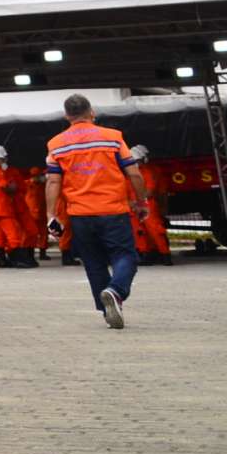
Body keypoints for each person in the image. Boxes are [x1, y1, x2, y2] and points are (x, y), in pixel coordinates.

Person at [42, 93, 151, 328]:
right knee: (125, 256)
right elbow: (133, 173)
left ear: (66, 116)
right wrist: (142, 202)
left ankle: (108, 310)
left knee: (94, 263)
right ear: (92, 112)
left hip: (80, 215)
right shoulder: (113, 138)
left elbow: (53, 182)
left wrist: (52, 215)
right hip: (113, 210)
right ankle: (116, 291)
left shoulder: (56, 144)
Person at [0, 147, 33, 268]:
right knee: (13, 234)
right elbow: (4, 186)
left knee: (0, 236)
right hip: (2, 207)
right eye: (4, 159)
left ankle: (2, 260)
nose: (5, 161)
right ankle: (19, 260)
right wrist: (13, 187)